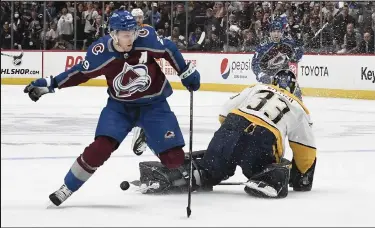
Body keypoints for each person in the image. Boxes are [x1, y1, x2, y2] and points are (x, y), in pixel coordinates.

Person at [23, 10, 200, 206]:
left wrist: (185, 71)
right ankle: (67, 187)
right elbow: (80, 73)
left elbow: (169, 49)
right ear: (113, 34)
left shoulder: (146, 38)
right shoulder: (101, 52)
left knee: (173, 160)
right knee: (100, 148)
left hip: (154, 105)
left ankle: (146, 133)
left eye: (133, 32)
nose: (131, 37)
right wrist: (52, 83)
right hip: (120, 108)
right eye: (126, 35)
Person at [135, 70, 317, 198]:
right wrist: (300, 177)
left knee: (209, 170)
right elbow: (306, 149)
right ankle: (268, 179)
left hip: (232, 125)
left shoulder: (258, 87)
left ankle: (167, 175)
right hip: (263, 139)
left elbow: (224, 113)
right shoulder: (298, 107)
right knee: (269, 167)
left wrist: (232, 139)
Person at [251, 20, 303, 84]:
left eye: (278, 31)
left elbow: (296, 58)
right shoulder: (263, 46)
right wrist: (261, 74)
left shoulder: (288, 43)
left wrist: (299, 45)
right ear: (270, 33)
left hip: (283, 77)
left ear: (282, 33)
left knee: (296, 93)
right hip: (266, 77)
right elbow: (254, 63)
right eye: (274, 31)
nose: (276, 34)